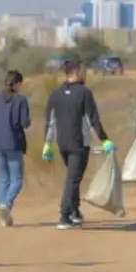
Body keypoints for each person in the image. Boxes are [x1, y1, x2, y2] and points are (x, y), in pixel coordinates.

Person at [43, 60, 113, 230]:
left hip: (62, 144)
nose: (85, 74)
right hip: (79, 143)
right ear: (76, 72)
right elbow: (93, 119)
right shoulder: (84, 93)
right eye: (83, 71)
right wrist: (104, 139)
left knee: (73, 178)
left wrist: (48, 143)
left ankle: (75, 211)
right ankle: (64, 216)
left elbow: (50, 121)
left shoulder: (55, 94)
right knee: (73, 180)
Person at [0, 70, 31, 227]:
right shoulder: (21, 100)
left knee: (4, 179)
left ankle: (4, 216)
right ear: (17, 83)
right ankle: (6, 204)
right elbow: (25, 123)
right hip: (14, 143)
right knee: (17, 180)